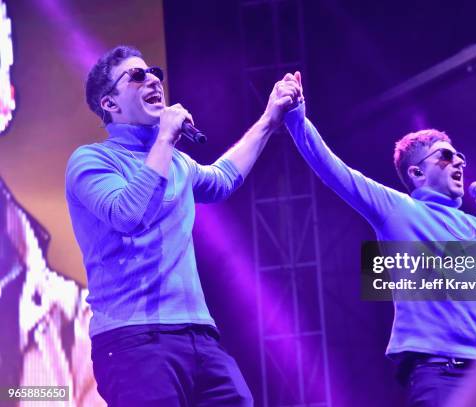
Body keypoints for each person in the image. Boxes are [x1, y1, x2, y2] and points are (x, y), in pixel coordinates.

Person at [281, 72, 476, 407]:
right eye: (445, 156)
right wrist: (296, 116)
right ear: (417, 173)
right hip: (439, 376)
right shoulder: (398, 209)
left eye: (460, 158)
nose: (458, 162)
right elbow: (333, 170)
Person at [65, 45, 300, 406]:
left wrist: (270, 118)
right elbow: (129, 216)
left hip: (200, 336)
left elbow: (222, 178)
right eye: (137, 75)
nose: (154, 79)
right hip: (133, 341)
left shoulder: (176, 161)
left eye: (154, 71)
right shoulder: (91, 160)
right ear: (109, 104)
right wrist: (164, 138)